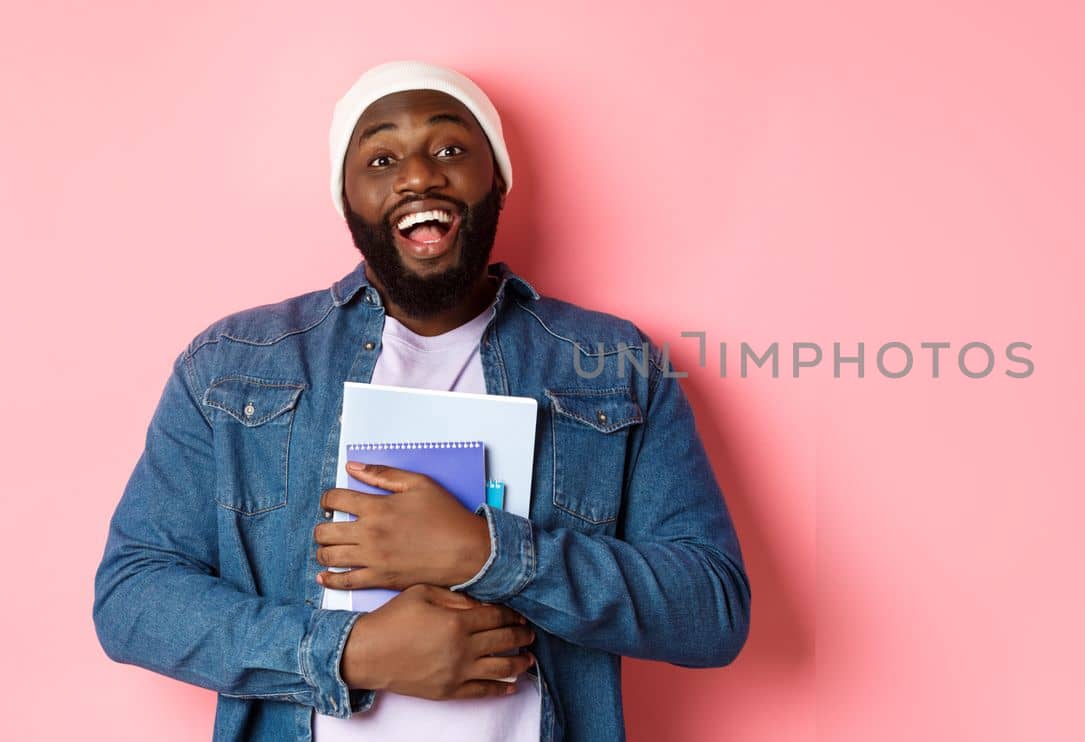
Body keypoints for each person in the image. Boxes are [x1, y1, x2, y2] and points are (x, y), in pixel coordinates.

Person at [93, 61, 751, 742]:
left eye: (450, 150)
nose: (418, 175)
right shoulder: (233, 364)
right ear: (346, 197)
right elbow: (132, 598)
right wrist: (350, 652)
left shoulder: (613, 364)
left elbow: (712, 608)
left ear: (496, 179)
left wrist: (487, 553)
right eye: (381, 157)